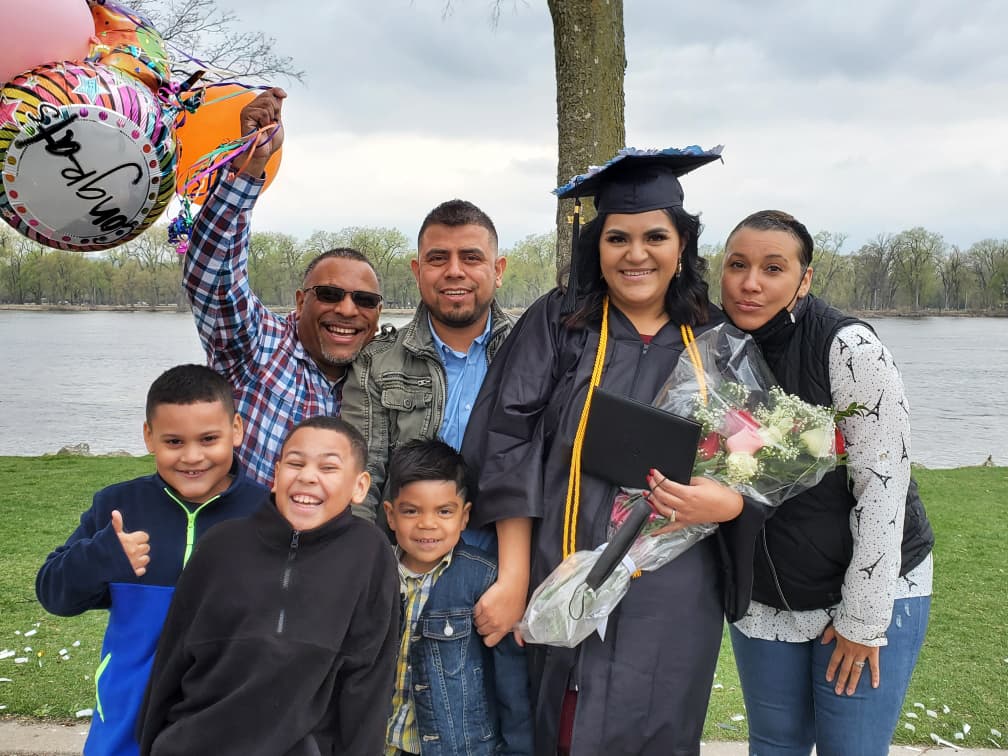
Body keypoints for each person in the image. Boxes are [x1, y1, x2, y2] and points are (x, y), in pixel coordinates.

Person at [461, 149, 765, 756]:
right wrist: (517, 573)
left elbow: (753, 453)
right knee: (568, 725)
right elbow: (507, 441)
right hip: (566, 566)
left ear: (682, 245)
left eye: (656, 236)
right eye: (617, 237)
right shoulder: (560, 322)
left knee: (664, 724)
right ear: (596, 246)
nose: (635, 253)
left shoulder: (716, 337)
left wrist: (730, 504)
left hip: (676, 584)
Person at [720, 210, 934, 756]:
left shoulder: (849, 349)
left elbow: (884, 484)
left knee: (852, 749)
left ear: (805, 278)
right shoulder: (715, 351)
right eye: (737, 265)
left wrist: (863, 618)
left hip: (866, 586)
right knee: (774, 745)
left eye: (773, 268)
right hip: (768, 593)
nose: (751, 282)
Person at [35, 364, 266, 756]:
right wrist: (101, 557)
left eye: (209, 439)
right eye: (174, 442)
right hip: (126, 724)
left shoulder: (267, 514)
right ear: (148, 437)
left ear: (237, 430)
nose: (193, 457)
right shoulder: (117, 507)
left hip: (228, 726)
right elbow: (54, 595)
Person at [138, 416, 400, 756]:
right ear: (275, 475)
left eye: (328, 467)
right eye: (295, 463)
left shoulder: (369, 554)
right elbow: (171, 660)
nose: (307, 476)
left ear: (360, 486)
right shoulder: (220, 546)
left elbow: (369, 684)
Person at [184, 86, 383, 488]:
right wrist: (252, 163)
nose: (347, 310)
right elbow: (211, 275)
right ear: (300, 301)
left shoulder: (382, 374)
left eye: (364, 300)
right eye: (329, 294)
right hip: (247, 542)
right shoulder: (257, 344)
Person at [341, 199, 511, 535]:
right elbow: (362, 475)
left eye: (471, 257)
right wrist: (360, 562)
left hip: (508, 551)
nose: (454, 271)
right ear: (418, 272)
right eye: (438, 259)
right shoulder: (376, 361)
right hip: (405, 551)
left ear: (498, 270)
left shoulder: (534, 352)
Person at [382, 439, 532, 756]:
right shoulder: (375, 575)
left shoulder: (485, 581)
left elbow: (512, 686)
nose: (427, 523)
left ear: (464, 517)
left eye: (444, 511)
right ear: (390, 515)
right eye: (411, 511)